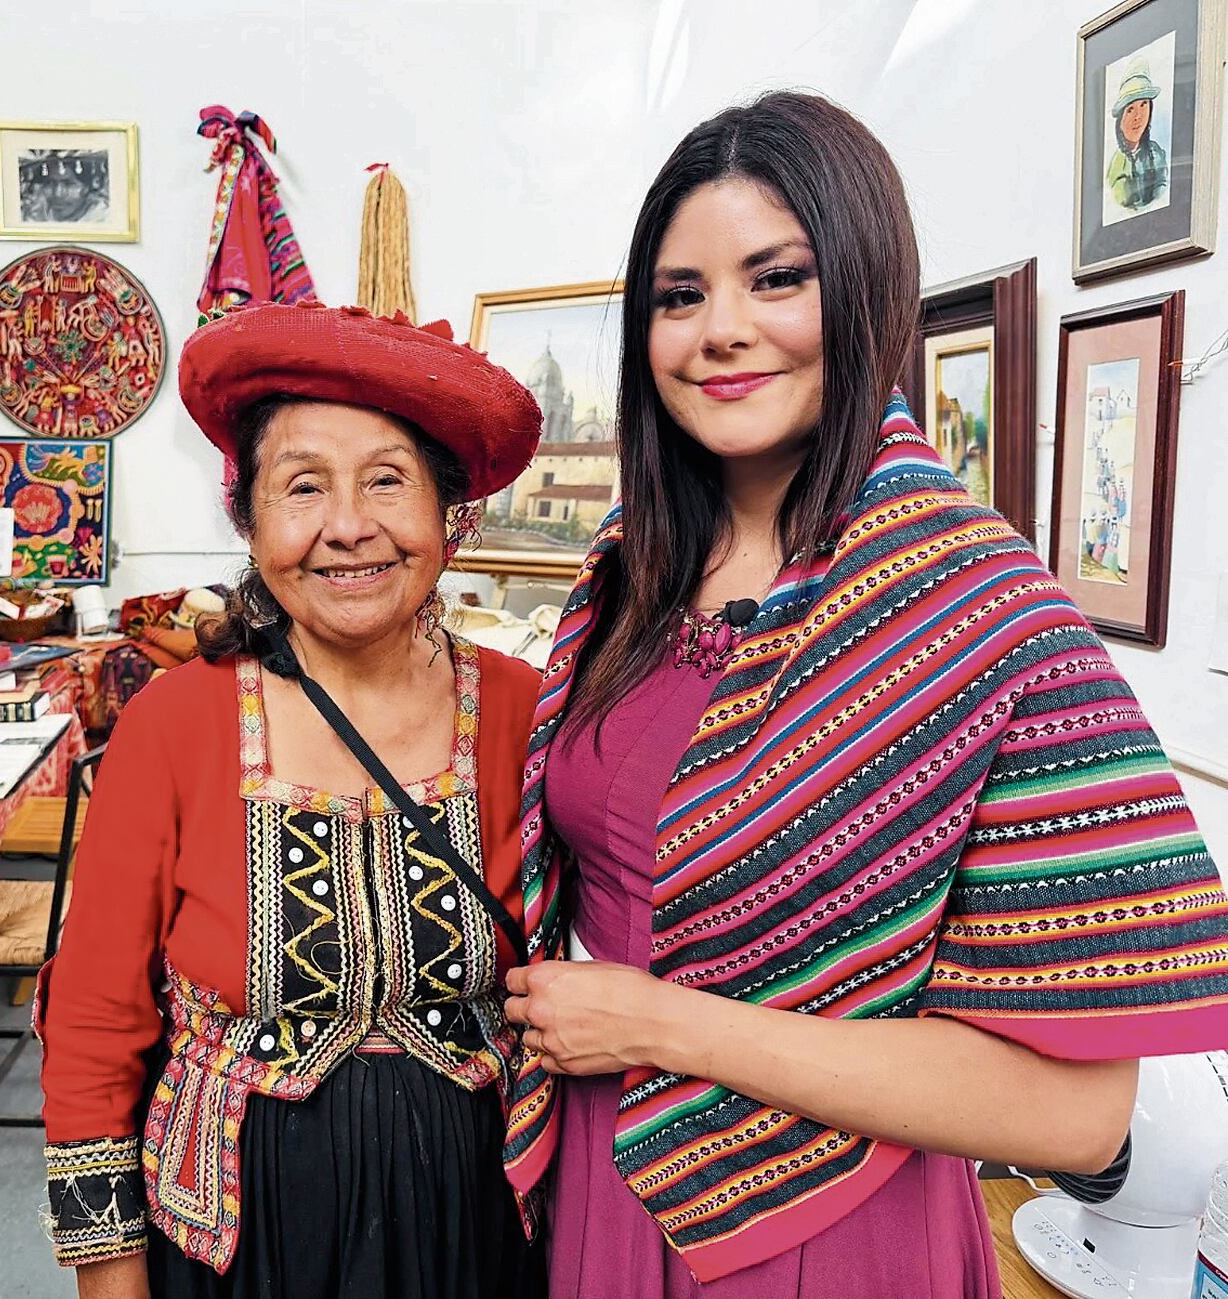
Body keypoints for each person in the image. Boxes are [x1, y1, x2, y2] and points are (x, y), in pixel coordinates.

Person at [498, 91, 1228, 1297]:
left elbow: (1076, 1116)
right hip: (603, 1171)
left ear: (866, 287)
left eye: (775, 279)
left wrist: (659, 1025)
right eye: (678, 296)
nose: (720, 331)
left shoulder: (976, 610)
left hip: (819, 1231)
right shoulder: (633, 566)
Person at [39, 301, 548, 1299]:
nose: (348, 526)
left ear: (447, 512)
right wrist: (110, 1276)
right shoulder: (173, 724)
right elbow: (95, 1016)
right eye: (303, 485)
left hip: (477, 1226)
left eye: (387, 480)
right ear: (249, 518)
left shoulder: (528, 713)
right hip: (240, 1241)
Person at [1106, 63, 1169, 212]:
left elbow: (1162, 186)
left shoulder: (1155, 152)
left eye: (1143, 104)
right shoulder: (1117, 164)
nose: (1138, 116)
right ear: (1120, 121)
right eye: (1130, 110)